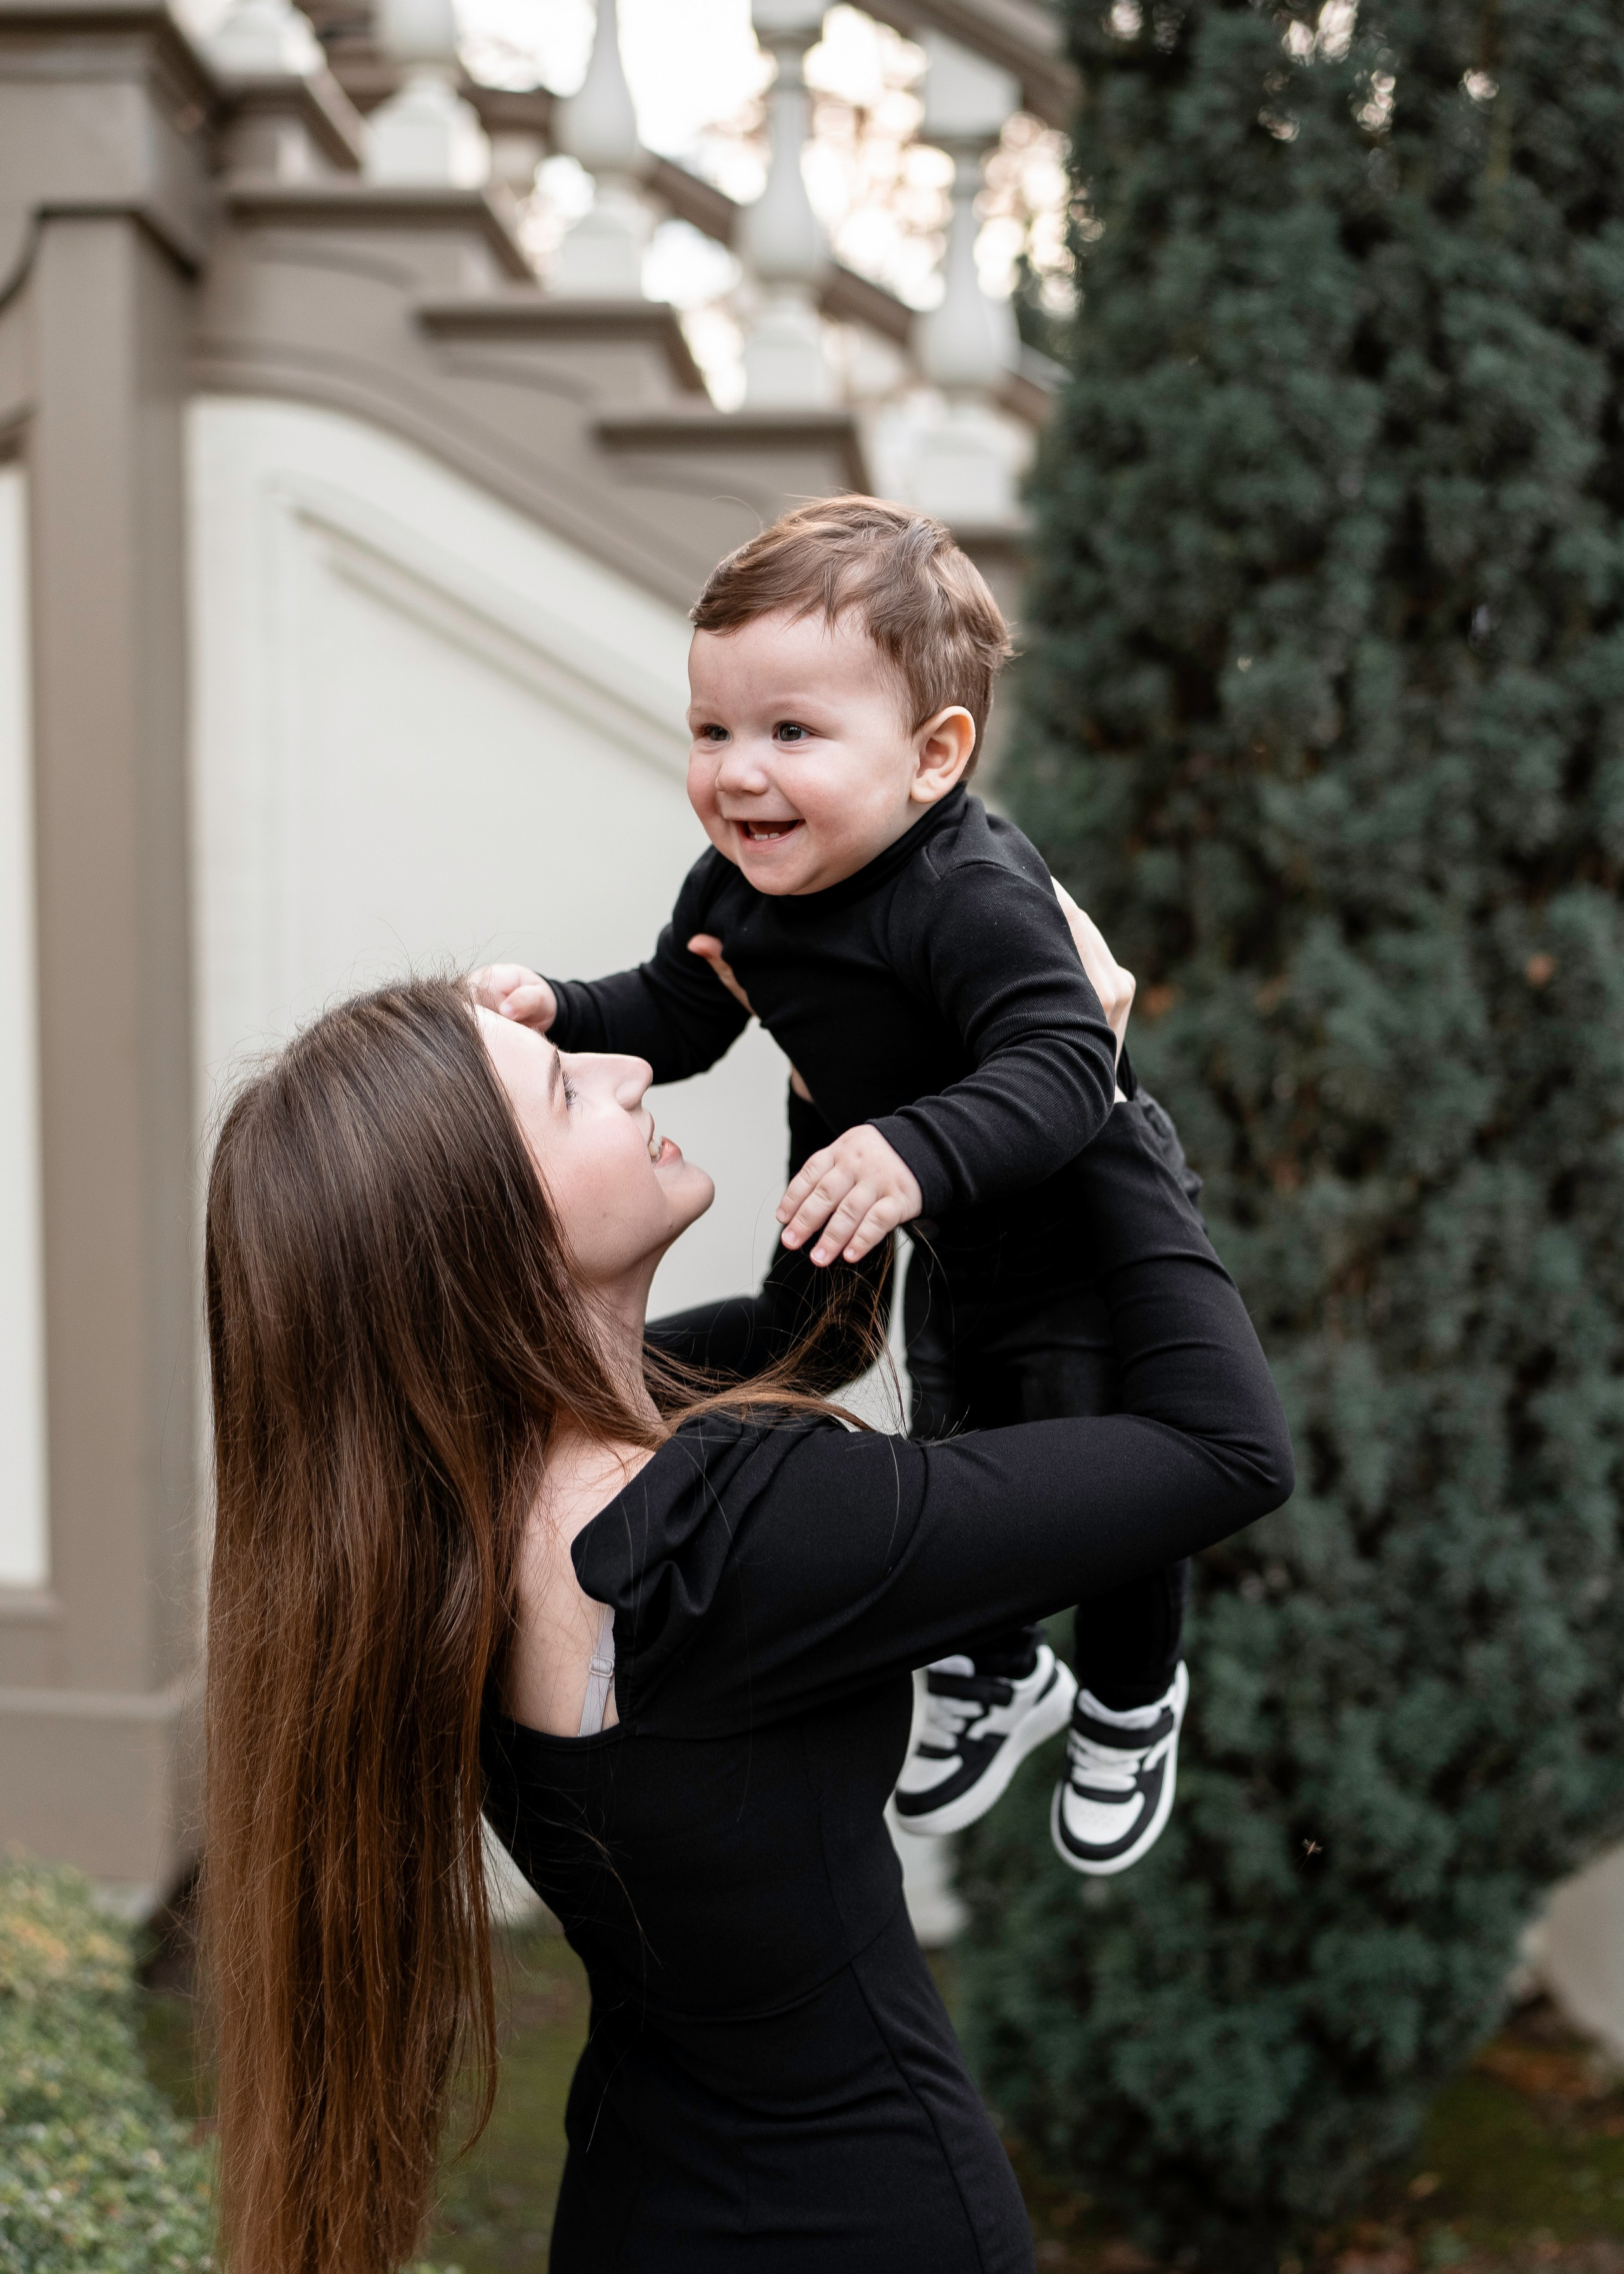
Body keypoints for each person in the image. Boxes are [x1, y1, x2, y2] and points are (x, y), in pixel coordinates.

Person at [202, 971, 1293, 2274]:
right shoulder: (724, 1539)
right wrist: (1091, 1080)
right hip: (866, 2218)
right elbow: (1219, 1450)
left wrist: (835, 1079)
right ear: (481, 1236)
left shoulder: (454, 1510)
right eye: (564, 1089)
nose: (626, 1071)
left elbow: (810, 1337)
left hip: (643, 2199)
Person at [475, 495, 1203, 1876]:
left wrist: (912, 1146)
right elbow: (680, 1014)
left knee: (1096, 1471)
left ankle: (1124, 1695)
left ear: (933, 756)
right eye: (711, 731)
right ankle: (997, 1672)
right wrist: (559, 1007)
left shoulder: (973, 896)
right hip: (927, 1228)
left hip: (1072, 1241)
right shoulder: (742, 877)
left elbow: (1064, 1064)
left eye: (789, 733)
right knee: (949, 1436)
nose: (736, 773)